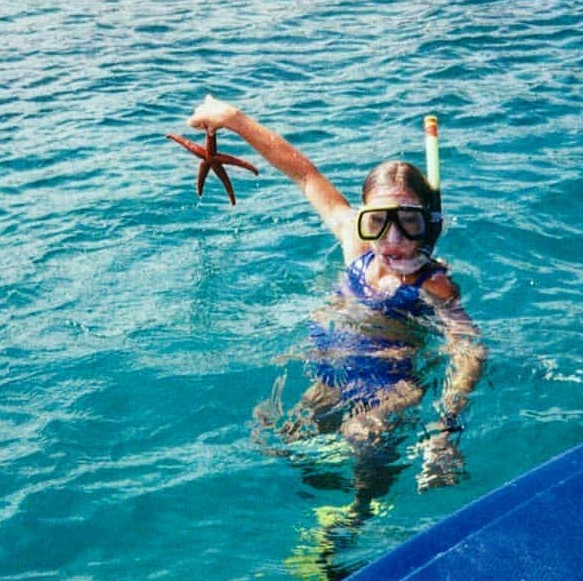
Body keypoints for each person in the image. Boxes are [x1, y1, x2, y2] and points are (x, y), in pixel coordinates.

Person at [186, 96, 487, 497]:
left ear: (426, 225)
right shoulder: (356, 245)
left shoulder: (432, 283)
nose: (393, 240)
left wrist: (444, 428)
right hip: (334, 372)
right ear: (362, 220)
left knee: (361, 437)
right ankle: (331, 506)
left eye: (408, 223)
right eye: (378, 222)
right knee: (279, 439)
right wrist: (233, 119)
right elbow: (305, 174)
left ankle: (360, 515)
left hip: (392, 385)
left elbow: (470, 349)